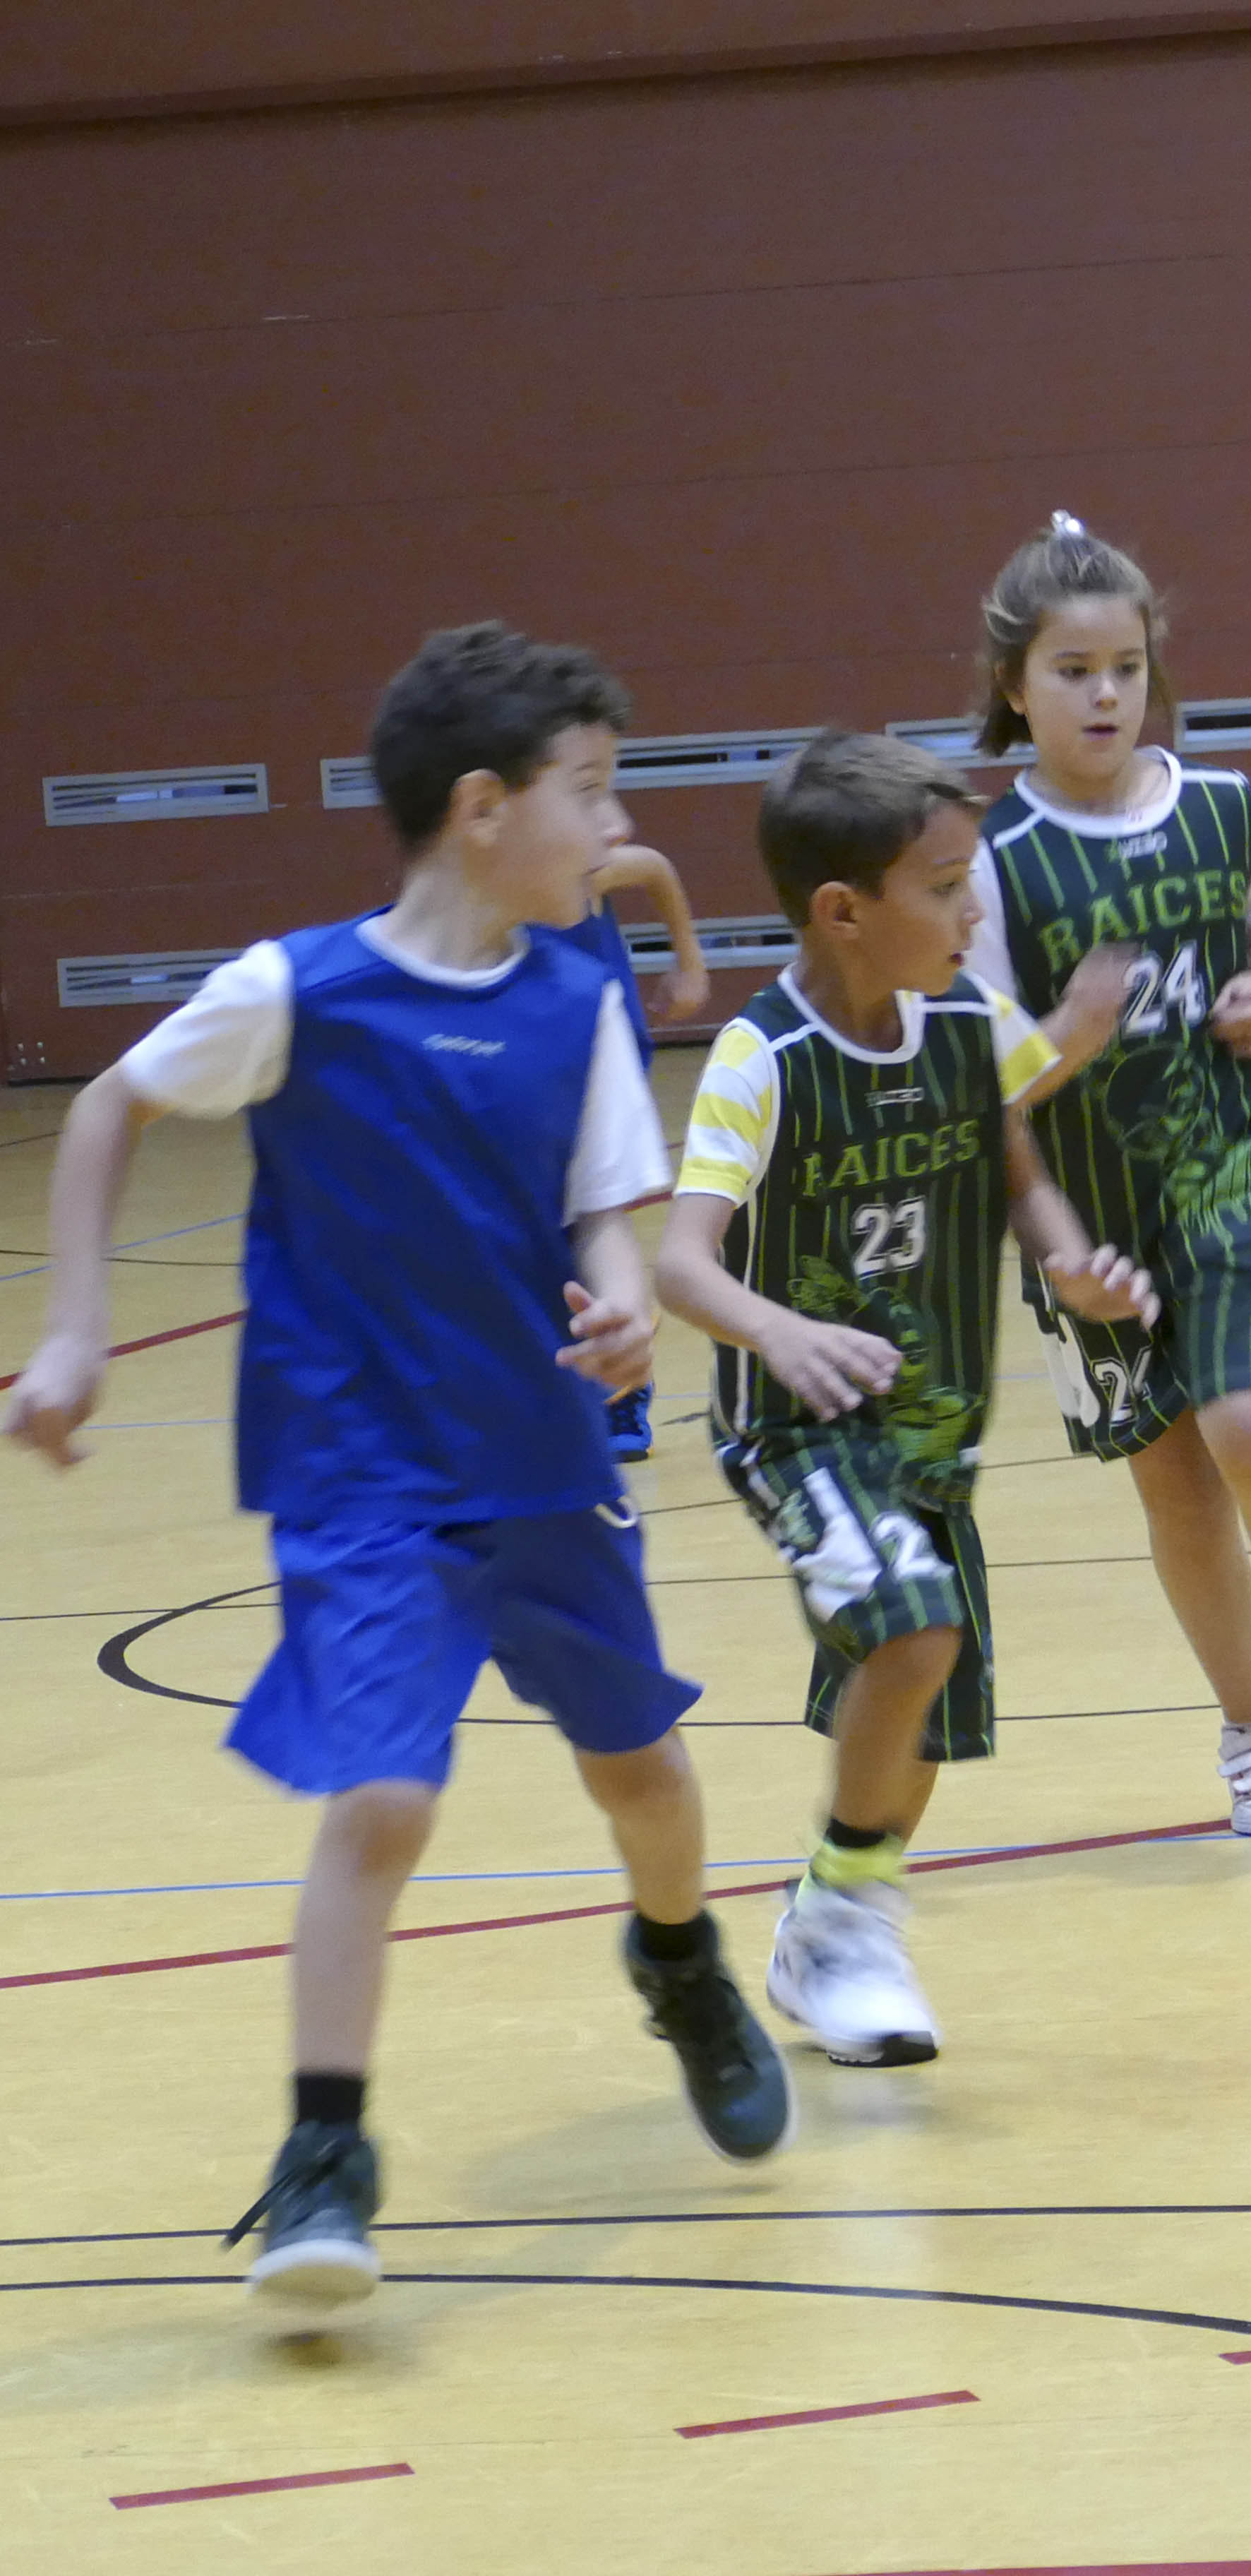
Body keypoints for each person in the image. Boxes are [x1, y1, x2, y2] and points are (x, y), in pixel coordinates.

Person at [0, 622, 787, 2307]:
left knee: (645, 1780)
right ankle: (323, 2156)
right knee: (382, 1799)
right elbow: (106, 1109)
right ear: (485, 808)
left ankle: (680, 1959)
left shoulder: (575, 1003)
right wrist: (72, 1332)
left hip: (541, 1461)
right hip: (360, 1478)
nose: (618, 825)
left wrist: (623, 1304)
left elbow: (608, 1206)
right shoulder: (299, 991)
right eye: (594, 791)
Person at [656, 729, 1148, 2067]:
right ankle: (846, 1924)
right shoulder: (762, 1058)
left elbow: (1013, 1153)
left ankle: (831, 1917)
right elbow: (681, 1262)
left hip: (933, 1432)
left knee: (919, 1699)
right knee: (917, 1631)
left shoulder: (964, 1023)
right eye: (942, 889)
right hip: (794, 1427)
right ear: (843, 911)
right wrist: (777, 1328)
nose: (972, 912)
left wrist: (1066, 1257)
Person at [961, 513, 1251, 1837]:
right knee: (1174, 1482)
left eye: (1126, 667)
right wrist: (1065, 1041)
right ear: (1014, 685)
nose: (1105, 694)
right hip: (1089, 1213)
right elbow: (981, 1084)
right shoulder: (987, 861)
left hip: (1231, 1164)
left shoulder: (1222, 806)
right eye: (1072, 671)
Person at [541, 842, 715, 1457]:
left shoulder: (572, 866)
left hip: (597, 1051)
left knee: (594, 1218)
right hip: (529, 1057)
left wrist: (689, 963)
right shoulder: (476, 893)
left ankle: (624, 1389)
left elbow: (656, 866)